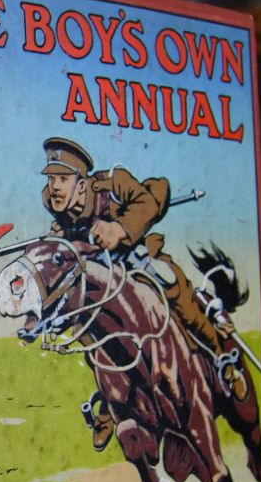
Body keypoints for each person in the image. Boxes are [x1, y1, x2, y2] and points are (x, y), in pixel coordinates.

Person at [38, 137, 248, 451]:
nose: (54, 187)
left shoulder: (113, 184)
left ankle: (221, 358)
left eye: (62, 179)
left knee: (172, 283)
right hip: (104, 272)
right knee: (87, 322)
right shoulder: (52, 200)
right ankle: (111, 400)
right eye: (51, 179)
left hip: (135, 258)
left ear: (81, 183)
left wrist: (119, 229)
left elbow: (152, 198)